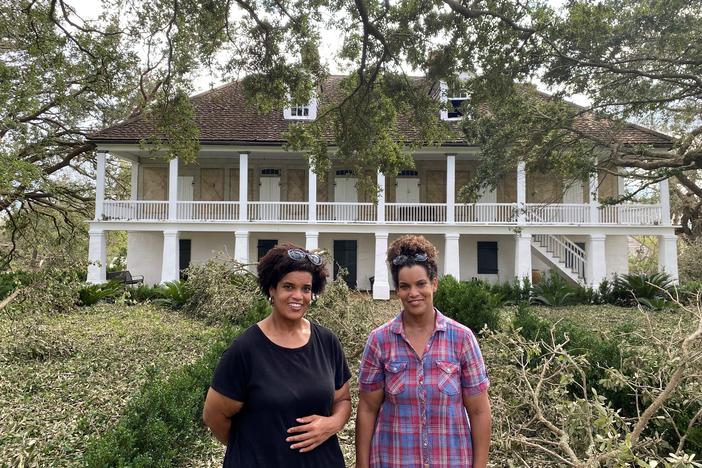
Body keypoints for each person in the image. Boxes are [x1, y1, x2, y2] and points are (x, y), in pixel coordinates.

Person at [203, 243, 352, 467]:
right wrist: (256, 448)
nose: (298, 296)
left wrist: (332, 424)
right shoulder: (245, 350)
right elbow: (214, 417)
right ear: (272, 289)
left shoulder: (327, 342)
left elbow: (343, 400)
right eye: (288, 286)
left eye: (306, 288)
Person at [355, 234, 491, 468]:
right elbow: (367, 408)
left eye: (421, 284)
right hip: (392, 460)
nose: (413, 293)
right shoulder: (380, 341)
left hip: (451, 460)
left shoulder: (462, 339)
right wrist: (361, 464)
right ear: (397, 290)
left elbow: (479, 411)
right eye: (404, 286)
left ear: (434, 283)